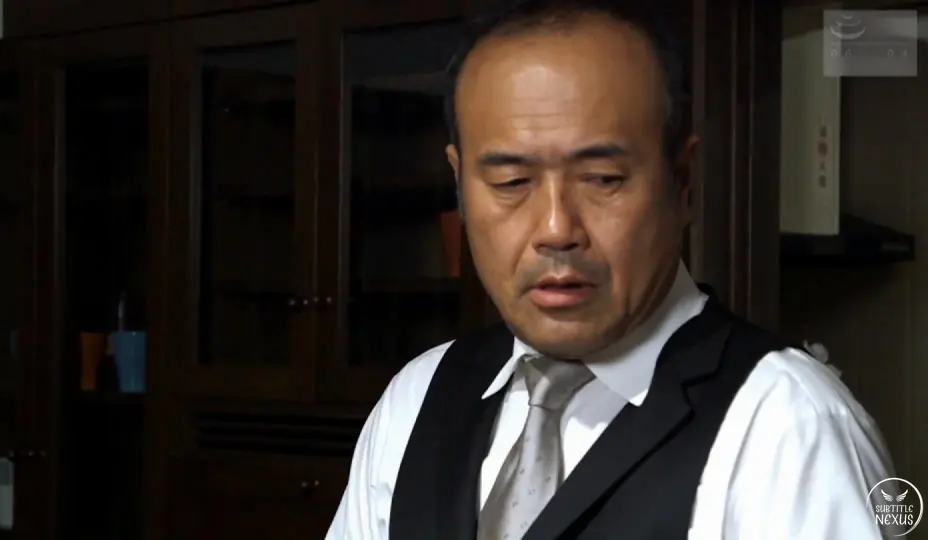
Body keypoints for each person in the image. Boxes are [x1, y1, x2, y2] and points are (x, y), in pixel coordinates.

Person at [325, 0, 897, 538]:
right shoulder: (417, 400)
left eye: (603, 179)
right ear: (459, 185)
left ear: (683, 181)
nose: (556, 229)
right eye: (511, 182)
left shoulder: (788, 426)